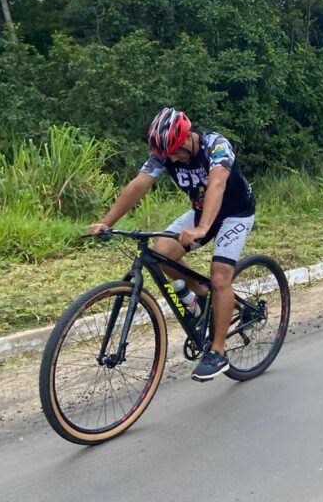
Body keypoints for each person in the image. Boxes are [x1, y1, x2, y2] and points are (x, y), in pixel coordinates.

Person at [89, 107, 256, 382]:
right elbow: (138, 185)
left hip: (235, 213)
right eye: (169, 155)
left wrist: (202, 229)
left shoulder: (217, 146)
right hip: (202, 211)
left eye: (178, 151)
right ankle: (201, 293)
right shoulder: (163, 154)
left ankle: (217, 352)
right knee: (160, 252)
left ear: (188, 136)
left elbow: (216, 185)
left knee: (220, 276)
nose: (174, 159)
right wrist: (106, 221)